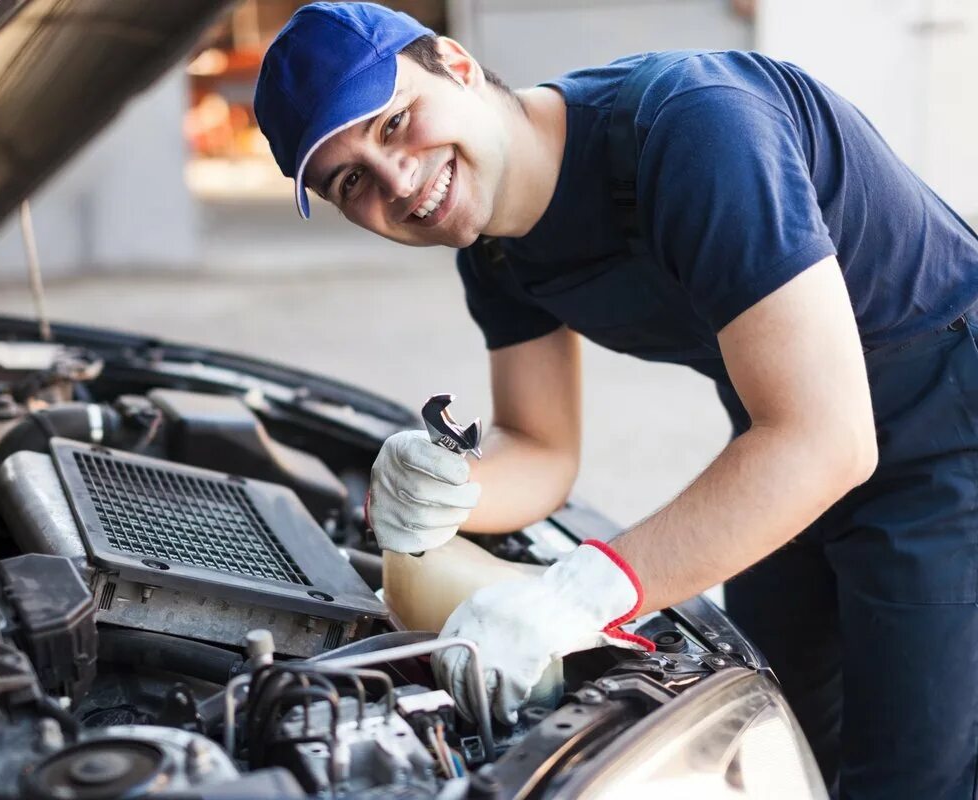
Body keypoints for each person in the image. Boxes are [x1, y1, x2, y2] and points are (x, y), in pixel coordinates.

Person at [252, 3, 978, 797]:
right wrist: (446, 490)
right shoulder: (495, 248)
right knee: (776, 736)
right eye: (350, 180)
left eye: (394, 124)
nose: (397, 182)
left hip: (946, 441)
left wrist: (572, 596)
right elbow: (541, 447)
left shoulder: (695, 129)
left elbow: (828, 440)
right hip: (781, 446)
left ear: (457, 65)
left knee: (913, 776)